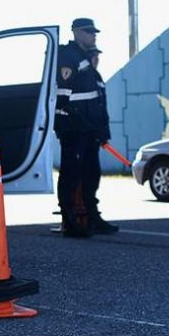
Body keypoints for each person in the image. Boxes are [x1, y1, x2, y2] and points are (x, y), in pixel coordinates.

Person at [54, 18, 118, 237]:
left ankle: (92, 216)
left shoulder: (92, 71)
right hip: (73, 129)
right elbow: (61, 98)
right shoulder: (68, 57)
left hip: (90, 131)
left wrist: (102, 133)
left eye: (94, 32)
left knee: (92, 174)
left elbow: (99, 105)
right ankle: (70, 220)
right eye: (88, 31)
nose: (93, 35)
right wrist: (75, 119)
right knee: (71, 173)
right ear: (76, 33)